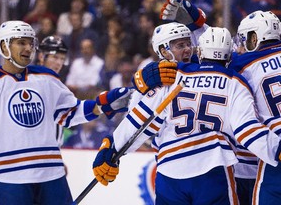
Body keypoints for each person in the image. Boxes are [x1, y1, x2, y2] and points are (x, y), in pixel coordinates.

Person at [92, 25, 281, 204]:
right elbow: (245, 129)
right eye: (180, 45)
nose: (187, 49)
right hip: (213, 166)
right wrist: (275, 149)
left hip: (170, 170)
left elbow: (139, 120)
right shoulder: (234, 81)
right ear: (163, 51)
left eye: (189, 44)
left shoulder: (169, 78)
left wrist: (112, 148)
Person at [0, 20, 133, 205]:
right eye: (21, 42)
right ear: (4, 45)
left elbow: (70, 112)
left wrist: (104, 104)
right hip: (9, 175)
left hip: (51, 172)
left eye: (30, 43)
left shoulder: (46, 77)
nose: (28, 48)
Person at [230, 10, 281, 205]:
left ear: (255, 37)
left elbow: (211, 59)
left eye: (245, 38)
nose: (242, 45)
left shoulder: (242, 66)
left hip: (276, 151)